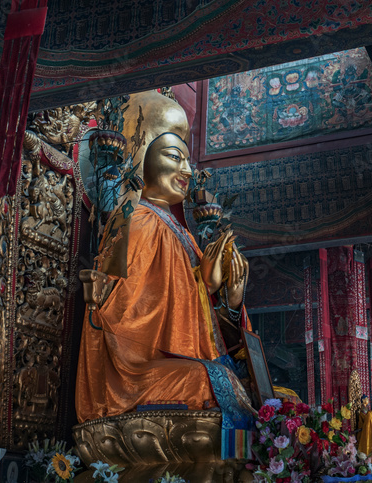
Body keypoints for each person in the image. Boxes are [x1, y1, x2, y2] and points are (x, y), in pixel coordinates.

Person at [76, 91, 253, 426]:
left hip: (184, 359)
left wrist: (224, 295)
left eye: (187, 160)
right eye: (174, 157)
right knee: (209, 381)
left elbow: (212, 337)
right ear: (143, 157)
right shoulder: (137, 220)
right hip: (132, 369)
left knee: (257, 390)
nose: (186, 169)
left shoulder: (183, 233)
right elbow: (121, 313)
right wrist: (197, 284)